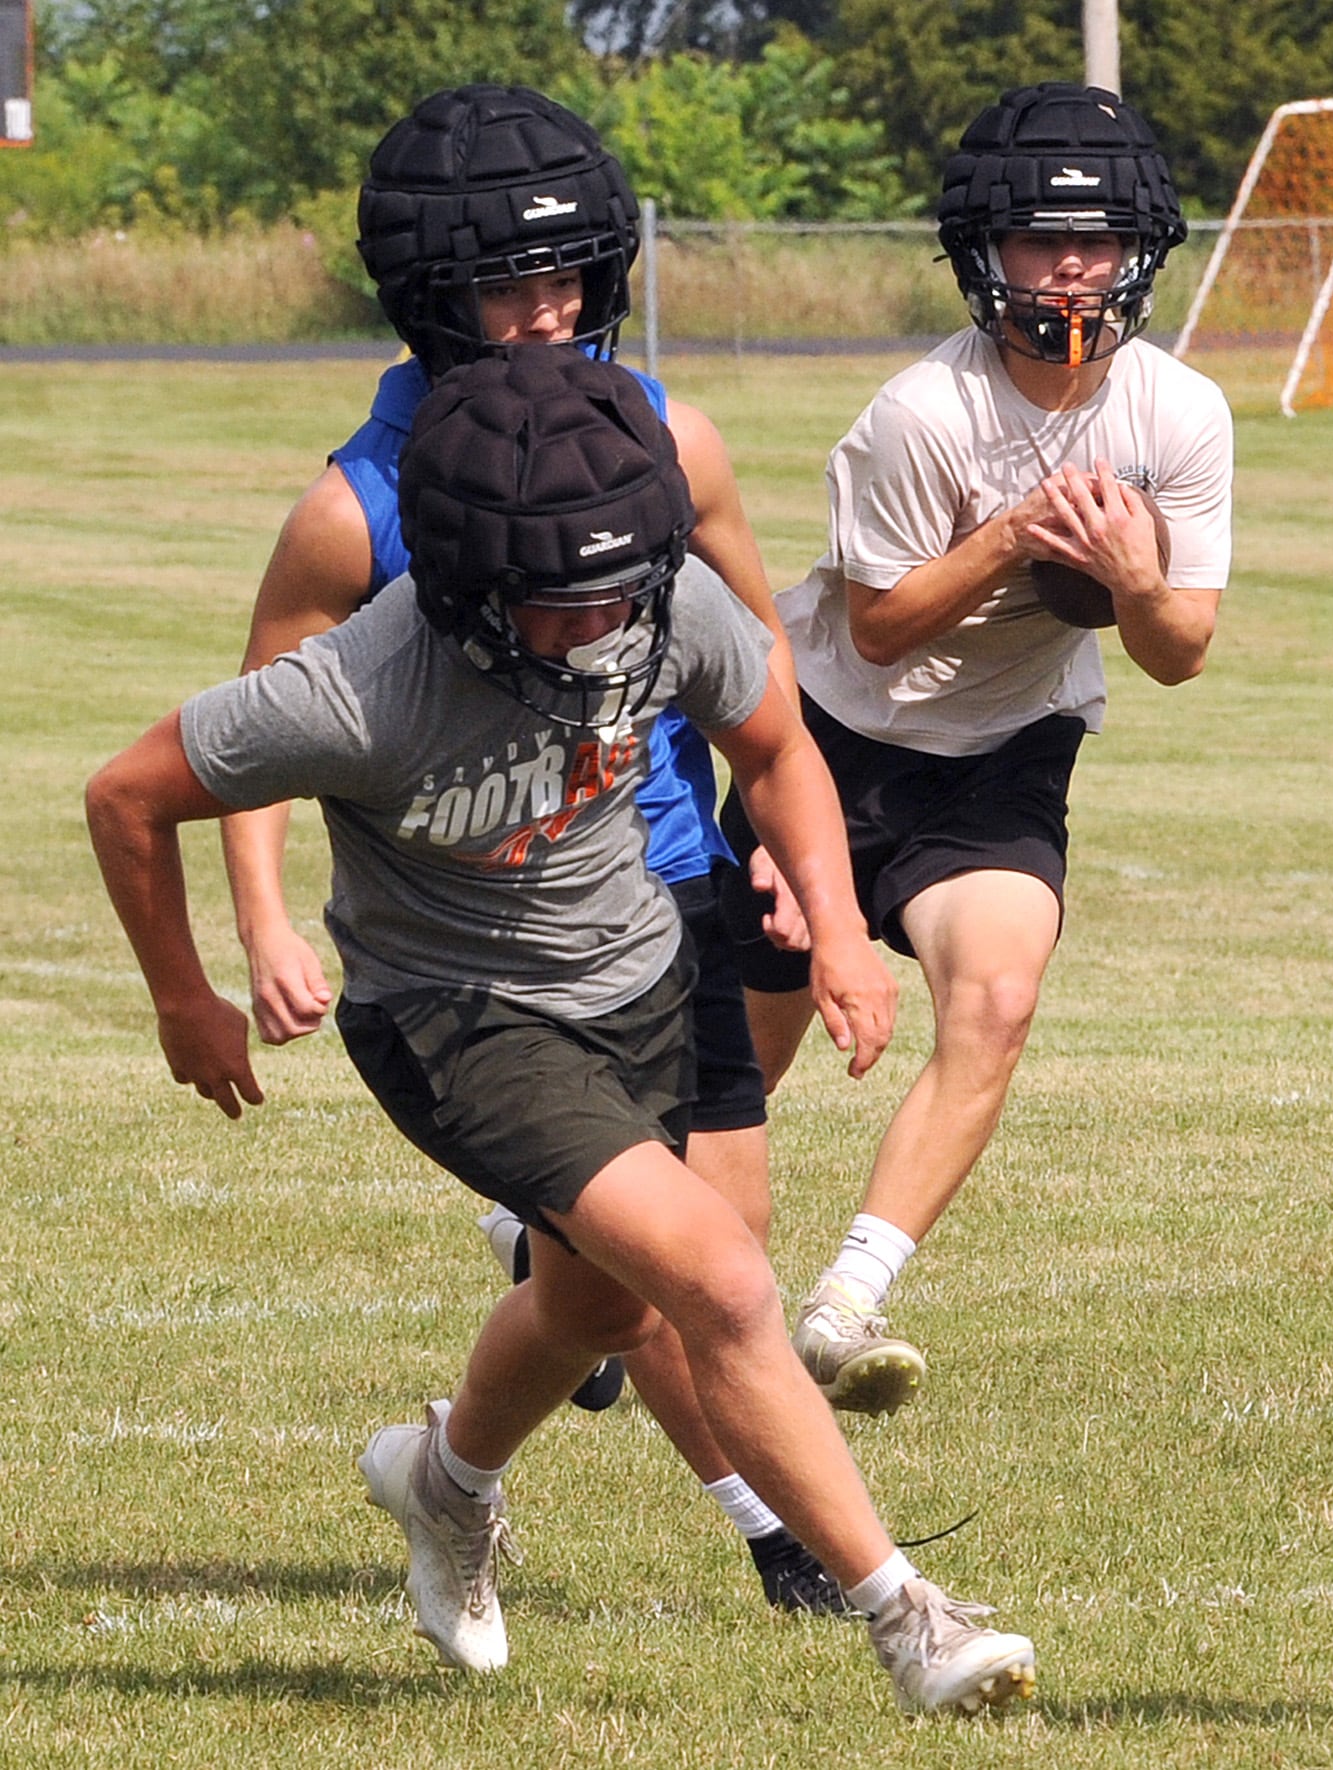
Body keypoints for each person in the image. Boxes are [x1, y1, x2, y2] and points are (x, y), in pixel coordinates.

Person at [85, 348, 1039, 1715]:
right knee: (722, 1274)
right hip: (457, 1019)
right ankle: (909, 1619)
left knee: (598, 1301)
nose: (598, 622)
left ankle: (444, 1477)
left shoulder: (656, 602)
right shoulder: (359, 684)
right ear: (471, 584)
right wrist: (188, 993)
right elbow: (125, 795)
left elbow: (773, 742)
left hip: (640, 978)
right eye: (560, 598)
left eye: (618, 584)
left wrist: (832, 922)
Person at [216, 85, 839, 1612]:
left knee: (699, 1250)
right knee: (681, 1266)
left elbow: (758, 649)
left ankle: (469, 1440)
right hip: (475, 947)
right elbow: (247, 730)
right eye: (510, 284)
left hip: (666, 883)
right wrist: (262, 924)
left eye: (571, 277)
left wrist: (786, 842)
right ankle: (788, 1537)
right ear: (435, 299)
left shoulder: (662, 440)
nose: (550, 312)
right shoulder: (357, 511)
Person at [719, 82, 1231, 1413]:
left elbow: (1180, 651)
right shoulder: (921, 415)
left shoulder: (1180, 414)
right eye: (1039, 238)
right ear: (983, 252)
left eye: (1098, 237)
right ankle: (573, 1251)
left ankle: (842, 1303)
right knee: (739, 1061)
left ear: (1140, 248)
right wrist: (1013, 533)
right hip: (830, 741)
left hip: (1007, 742)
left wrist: (1130, 578)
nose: (1071, 265)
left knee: (996, 1001)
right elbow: (881, 630)